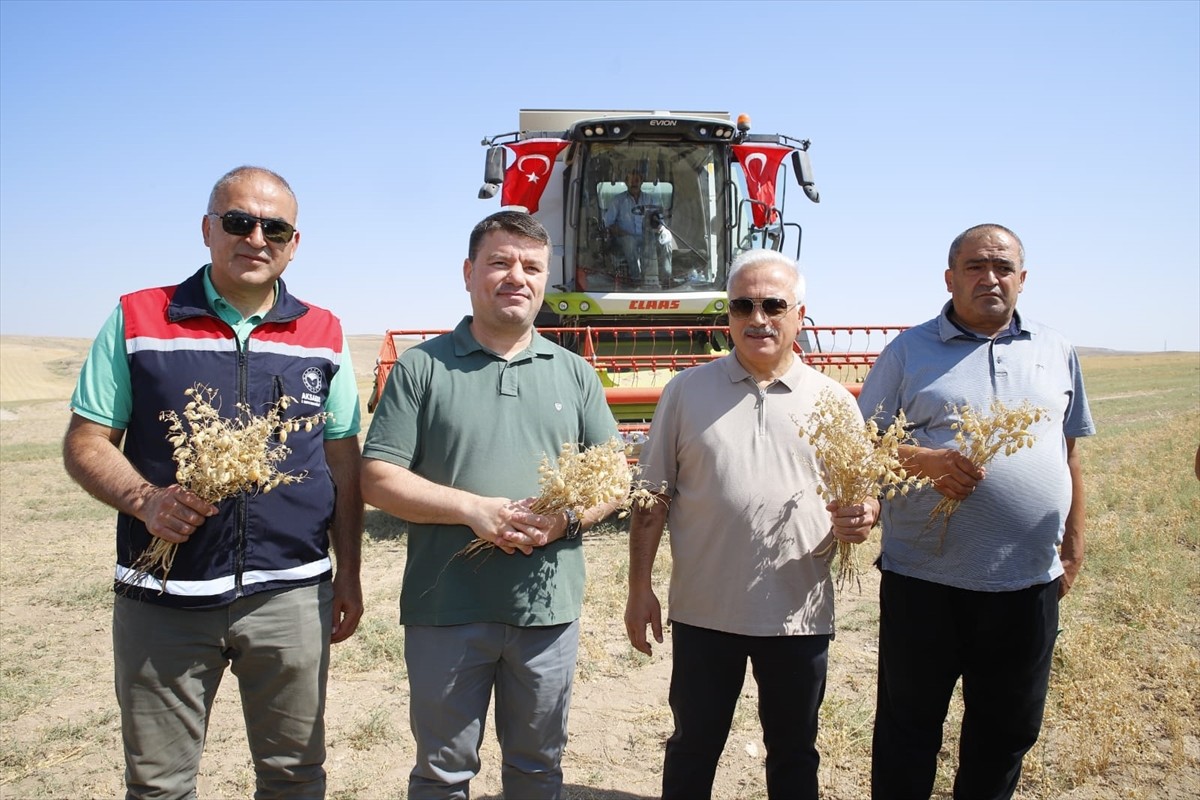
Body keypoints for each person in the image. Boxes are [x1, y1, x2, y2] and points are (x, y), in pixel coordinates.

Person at [62, 165, 364, 799]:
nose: (257, 237)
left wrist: (351, 575)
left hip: (291, 596)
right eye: (239, 222)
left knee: (295, 776)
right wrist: (144, 499)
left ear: (294, 242)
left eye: (274, 227)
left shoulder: (324, 333)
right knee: (159, 784)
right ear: (207, 230)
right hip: (164, 598)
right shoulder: (140, 317)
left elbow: (342, 462)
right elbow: (87, 441)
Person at [360, 210, 621, 800]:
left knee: (537, 771)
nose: (516, 277)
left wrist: (567, 519)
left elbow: (612, 481)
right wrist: (473, 510)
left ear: (546, 280)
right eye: (500, 262)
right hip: (446, 609)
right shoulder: (422, 368)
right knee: (443, 773)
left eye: (531, 266)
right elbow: (376, 479)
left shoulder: (575, 373)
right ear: (469, 272)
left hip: (547, 614)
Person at [624, 249, 880, 800]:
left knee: (793, 752)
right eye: (743, 305)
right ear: (728, 316)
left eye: (772, 304)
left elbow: (861, 503)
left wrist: (863, 517)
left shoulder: (835, 403)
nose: (757, 318)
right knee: (694, 747)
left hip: (798, 616)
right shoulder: (685, 393)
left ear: (799, 316)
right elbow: (651, 498)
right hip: (704, 612)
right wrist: (638, 587)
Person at [858, 223, 1095, 800]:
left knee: (1006, 731)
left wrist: (1072, 547)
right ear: (949, 277)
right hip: (924, 582)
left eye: (1002, 267)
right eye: (974, 267)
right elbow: (862, 445)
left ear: (1022, 279)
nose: (989, 278)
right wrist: (928, 461)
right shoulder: (908, 351)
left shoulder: (1056, 349)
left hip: (1027, 584)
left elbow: (1068, 453)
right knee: (909, 732)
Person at [603, 168, 672, 285]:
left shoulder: (650, 199)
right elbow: (608, 223)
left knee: (667, 237)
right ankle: (636, 278)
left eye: (636, 180)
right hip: (624, 237)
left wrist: (659, 229)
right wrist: (621, 232)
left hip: (648, 235)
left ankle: (666, 277)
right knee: (629, 242)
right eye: (631, 180)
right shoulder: (618, 200)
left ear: (641, 182)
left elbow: (659, 221)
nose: (634, 183)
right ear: (626, 182)